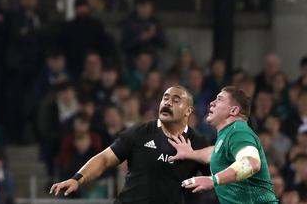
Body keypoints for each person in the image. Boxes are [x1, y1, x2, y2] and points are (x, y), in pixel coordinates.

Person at [49, 85, 211, 203]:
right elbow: (104, 159)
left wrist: (193, 155)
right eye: (165, 98)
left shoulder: (198, 143)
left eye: (175, 100)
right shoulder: (139, 132)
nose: (168, 103)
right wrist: (77, 179)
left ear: (188, 111)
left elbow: (218, 176)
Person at [169, 86, 278, 203]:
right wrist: (189, 153)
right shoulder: (229, 134)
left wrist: (213, 180)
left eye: (219, 100)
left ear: (234, 111)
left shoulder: (238, 131)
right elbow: (214, 154)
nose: (212, 103)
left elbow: (251, 163)